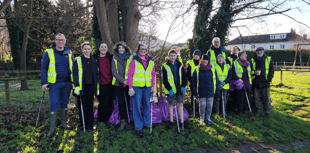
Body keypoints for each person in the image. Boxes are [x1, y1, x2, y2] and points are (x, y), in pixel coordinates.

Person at [41, 33, 73, 137]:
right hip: (54, 84)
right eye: (58, 40)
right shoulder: (49, 52)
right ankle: (52, 129)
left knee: (64, 104)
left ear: (65, 41)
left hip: (67, 83)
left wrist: (74, 82)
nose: (60, 42)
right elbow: (43, 68)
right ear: (55, 41)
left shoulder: (69, 52)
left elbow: (74, 68)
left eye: (62, 40)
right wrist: (44, 82)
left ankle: (63, 124)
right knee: (54, 104)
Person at [128, 44, 156, 136]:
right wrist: (130, 87)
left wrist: (153, 86)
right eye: (141, 49)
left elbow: (152, 74)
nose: (142, 51)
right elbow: (130, 74)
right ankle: (138, 126)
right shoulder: (134, 60)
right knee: (136, 107)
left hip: (147, 87)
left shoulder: (151, 61)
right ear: (138, 50)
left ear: (147, 51)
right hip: (137, 87)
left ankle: (147, 123)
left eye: (144, 49)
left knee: (147, 105)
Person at [73, 42, 99, 132]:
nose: (87, 50)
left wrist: (97, 87)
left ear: (91, 49)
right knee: (82, 106)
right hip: (81, 87)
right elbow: (75, 73)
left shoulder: (94, 60)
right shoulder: (78, 60)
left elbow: (96, 74)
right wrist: (76, 85)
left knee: (90, 106)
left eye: (88, 49)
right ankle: (83, 125)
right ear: (82, 50)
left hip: (91, 87)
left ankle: (90, 125)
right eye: (85, 49)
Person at [162, 49, 189, 130]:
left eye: (174, 56)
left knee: (180, 104)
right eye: (171, 56)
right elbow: (165, 79)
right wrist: (169, 88)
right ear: (168, 56)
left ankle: (181, 122)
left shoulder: (180, 65)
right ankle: (171, 122)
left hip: (179, 89)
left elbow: (184, 77)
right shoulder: (165, 66)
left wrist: (184, 86)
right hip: (170, 90)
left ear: (176, 56)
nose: (173, 57)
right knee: (171, 105)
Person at [192, 55, 220, 125]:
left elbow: (216, 80)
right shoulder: (197, 69)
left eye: (206, 60)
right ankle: (202, 119)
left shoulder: (212, 69)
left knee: (210, 106)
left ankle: (208, 118)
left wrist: (217, 91)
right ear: (201, 60)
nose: (205, 61)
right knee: (202, 106)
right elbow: (194, 81)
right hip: (201, 91)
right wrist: (194, 91)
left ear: (208, 61)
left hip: (211, 91)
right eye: (204, 60)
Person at [111, 41, 133, 131]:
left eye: (122, 48)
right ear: (117, 49)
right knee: (121, 103)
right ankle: (122, 121)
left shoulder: (130, 58)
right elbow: (114, 72)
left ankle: (127, 120)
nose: (121, 49)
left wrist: (127, 81)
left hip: (128, 84)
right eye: (119, 48)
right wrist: (123, 80)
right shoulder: (114, 58)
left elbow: (132, 70)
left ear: (125, 48)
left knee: (127, 102)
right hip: (118, 84)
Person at [93, 41, 114, 127]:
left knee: (110, 102)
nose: (103, 49)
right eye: (102, 47)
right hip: (100, 84)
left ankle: (108, 119)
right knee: (102, 103)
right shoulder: (94, 59)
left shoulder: (110, 58)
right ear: (99, 48)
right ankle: (101, 120)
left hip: (111, 83)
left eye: (105, 47)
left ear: (107, 49)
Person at [250, 47, 274, 116]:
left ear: (263, 51)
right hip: (256, 81)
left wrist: (269, 79)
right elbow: (250, 69)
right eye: (258, 51)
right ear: (256, 52)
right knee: (256, 96)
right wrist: (254, 72)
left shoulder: (268, 59)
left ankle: (267, 109)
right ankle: (258, 109)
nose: (260, 52)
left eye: (261, 51)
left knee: (266, 96)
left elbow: (272, 70)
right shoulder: (252, 60)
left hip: (265, 81)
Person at [231, 51, 252, 116]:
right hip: (240, 83)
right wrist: (238, 79)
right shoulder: (235, 63)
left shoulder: (248, 63)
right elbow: (233, 73)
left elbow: (249, 72)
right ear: (240, 56)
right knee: (240, 97)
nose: (246, 56)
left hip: (247, 82)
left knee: (247, 97)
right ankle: (240, 111)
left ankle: (245, 110)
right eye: (244, 55)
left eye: (246, 55)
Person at [186, 50, 201, 115]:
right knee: (193, 96)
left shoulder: (201, 63)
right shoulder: (190, 62)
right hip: (192, 83)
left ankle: (199, 110)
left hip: (200, 83)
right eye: (195, 55)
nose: (196, 57)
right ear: (193, 55)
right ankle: (193, 109)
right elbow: (188, 73)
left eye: (198, 55)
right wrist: (191, 81)